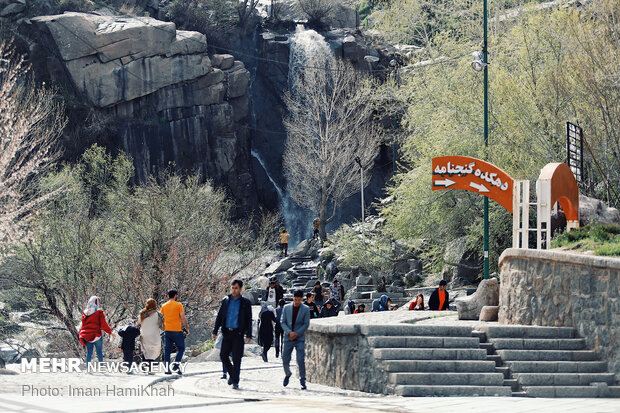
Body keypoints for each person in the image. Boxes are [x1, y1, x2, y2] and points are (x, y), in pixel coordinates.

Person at [212, 279, 252, 390]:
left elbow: (249, 319)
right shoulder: (226, 300)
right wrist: (215, 331)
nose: (234, 290)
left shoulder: (245, 302)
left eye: (236, 288)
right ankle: (233, 374)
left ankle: (235, 381)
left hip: (238, 334)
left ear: (241, 289)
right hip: (226, 332)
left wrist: (249, 334)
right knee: (223, 356)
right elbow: (219, 316)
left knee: (236, 358)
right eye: (232, 288)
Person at [281, 290, 310, 390]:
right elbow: (282, 322)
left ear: (302, 299)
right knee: (285, 358)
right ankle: (287, 373)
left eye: (299, 300)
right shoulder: (286, 308)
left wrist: (296, 333)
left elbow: (306, 324)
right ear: (293, 298)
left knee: (300, 359)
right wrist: (290, 332)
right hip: (288, 336)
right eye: (295, 299)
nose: (297, 301)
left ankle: (302, 379)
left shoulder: (306, 309)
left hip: (299, 337)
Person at [79, 296, 114, 365]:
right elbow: (104, 325)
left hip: (87, 335)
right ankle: (101, 366)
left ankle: (88, 368)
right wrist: (110, 332)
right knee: (99, 352)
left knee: (89, 352)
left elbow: (82, 325)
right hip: (96, 335)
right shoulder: (99, 313)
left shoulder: (85, 313)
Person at [161, 290, 189, 375]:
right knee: (181, 348)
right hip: (177, 330)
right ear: (175, 296)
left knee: (167, 350)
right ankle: (176, 366)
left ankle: (167, 369)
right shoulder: (179, 305)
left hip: (167, 331)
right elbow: (183, 318)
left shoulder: (164, 306)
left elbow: (161, 319)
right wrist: (186, 328)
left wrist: (164, 328)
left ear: (168, 296)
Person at [139, 298, 164, 373]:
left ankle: (144, 365)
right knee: (153, 351)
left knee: (145, 351)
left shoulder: (142, 313)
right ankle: (150, 368)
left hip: (144, 334)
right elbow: (162, 325)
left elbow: (139, 323)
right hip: (154, 335)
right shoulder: (159, 314)